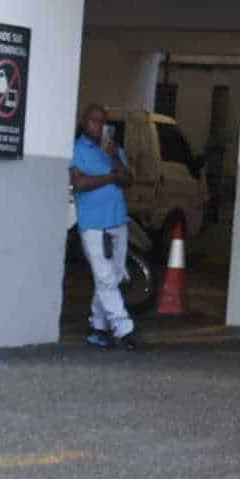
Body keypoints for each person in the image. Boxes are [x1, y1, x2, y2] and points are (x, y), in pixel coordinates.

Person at [70, 105, 139, 349]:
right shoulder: (77, 149)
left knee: (114, 276)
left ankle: (98, 326)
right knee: (105, 277)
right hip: (93, 223)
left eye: (103, 122)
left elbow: (128, 179)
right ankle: (124, 327)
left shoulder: (114, 150)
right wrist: (111, 177)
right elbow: (79, 183)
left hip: (118, 219)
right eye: (94, 121)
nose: (99, 126)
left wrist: (113, 157)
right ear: (84, 122)